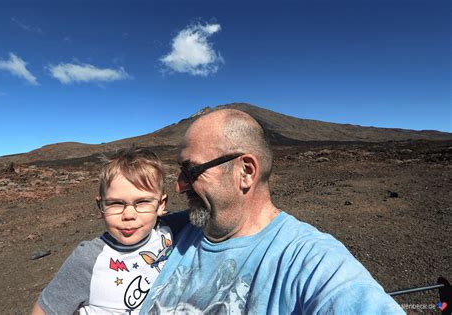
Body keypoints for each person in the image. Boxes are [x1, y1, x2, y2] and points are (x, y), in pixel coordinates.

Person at [140, 109, 405, 314]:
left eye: (191, 170)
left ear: (245, 172)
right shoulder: (171, 231)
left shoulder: (310, 261)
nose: (178, 186)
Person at [32, 148, 188, 314]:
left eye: (142, 202)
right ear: (101, 207)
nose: (128, 215)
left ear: (161, 205)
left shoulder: (167, 228)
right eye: (116, 203)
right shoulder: (88, 259)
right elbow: (43, 310)